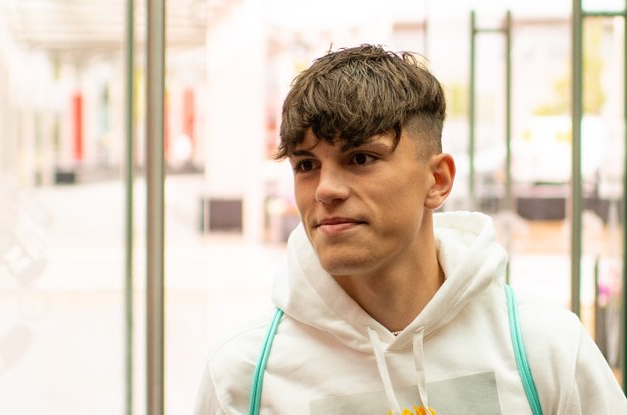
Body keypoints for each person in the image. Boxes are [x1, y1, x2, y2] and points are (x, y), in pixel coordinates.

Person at [194, 44, 627, 414]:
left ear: (437, 181)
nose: (325, 189)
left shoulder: (542, 348)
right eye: (306, 165)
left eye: (360, 158)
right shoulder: (244, 374)